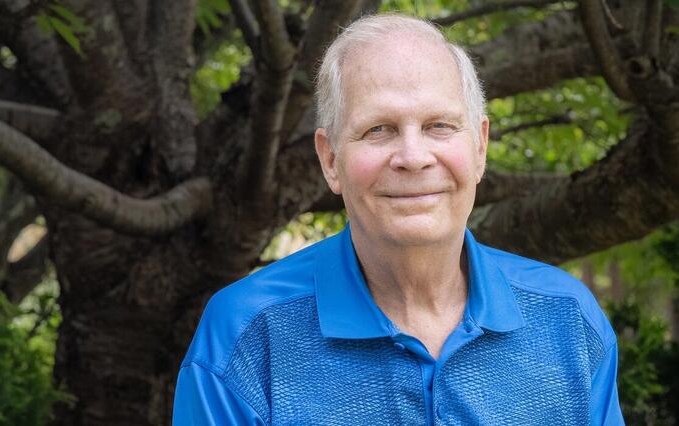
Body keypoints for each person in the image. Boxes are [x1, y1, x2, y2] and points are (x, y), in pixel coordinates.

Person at [173, 14, 624, 425]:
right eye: (378, 129)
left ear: (480, 146)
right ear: (330, 160)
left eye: (439, 126)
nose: (413, 157)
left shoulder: (569, 320)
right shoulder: (244, 338)